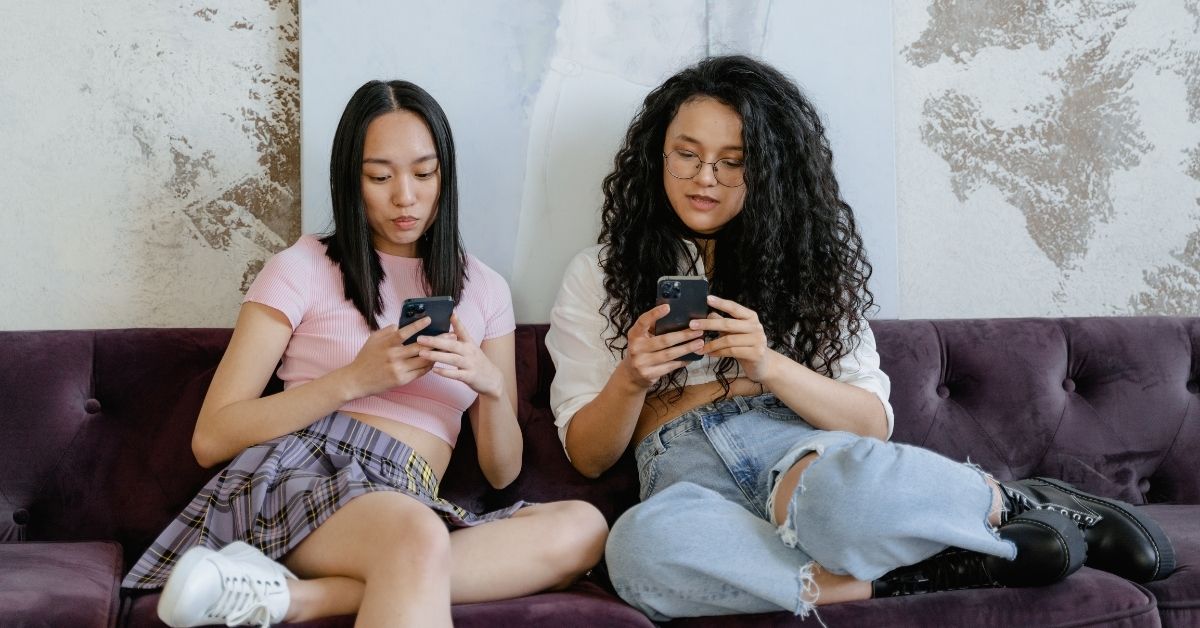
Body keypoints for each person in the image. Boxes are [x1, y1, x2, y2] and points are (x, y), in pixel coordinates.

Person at [545, 55, 1174, 622]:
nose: (704, 177)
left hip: (790, 450)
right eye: (686, 153)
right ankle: (924, 572)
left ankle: (1010, 500)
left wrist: (767, 364)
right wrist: (631, 377)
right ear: (659, 153)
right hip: (681, 480)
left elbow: (869, 422)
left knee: (835, 506)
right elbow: (590, 456)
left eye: (732, 162)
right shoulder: (596, 272)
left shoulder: (809, 268)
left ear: (769, 171)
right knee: (637, 554)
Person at [122, 80, 608, 628]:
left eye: (424, 174)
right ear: (351, 180)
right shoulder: (301, 268)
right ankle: (314, 583)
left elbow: (503, 473)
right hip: (306, 472)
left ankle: (293, 598)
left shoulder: (486, 290)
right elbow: (211, 437)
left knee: (583, 528)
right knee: (416, 535)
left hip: (406, 496)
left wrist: (490, 386)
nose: (405, 196)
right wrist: (354, 379)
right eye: (380, 176)